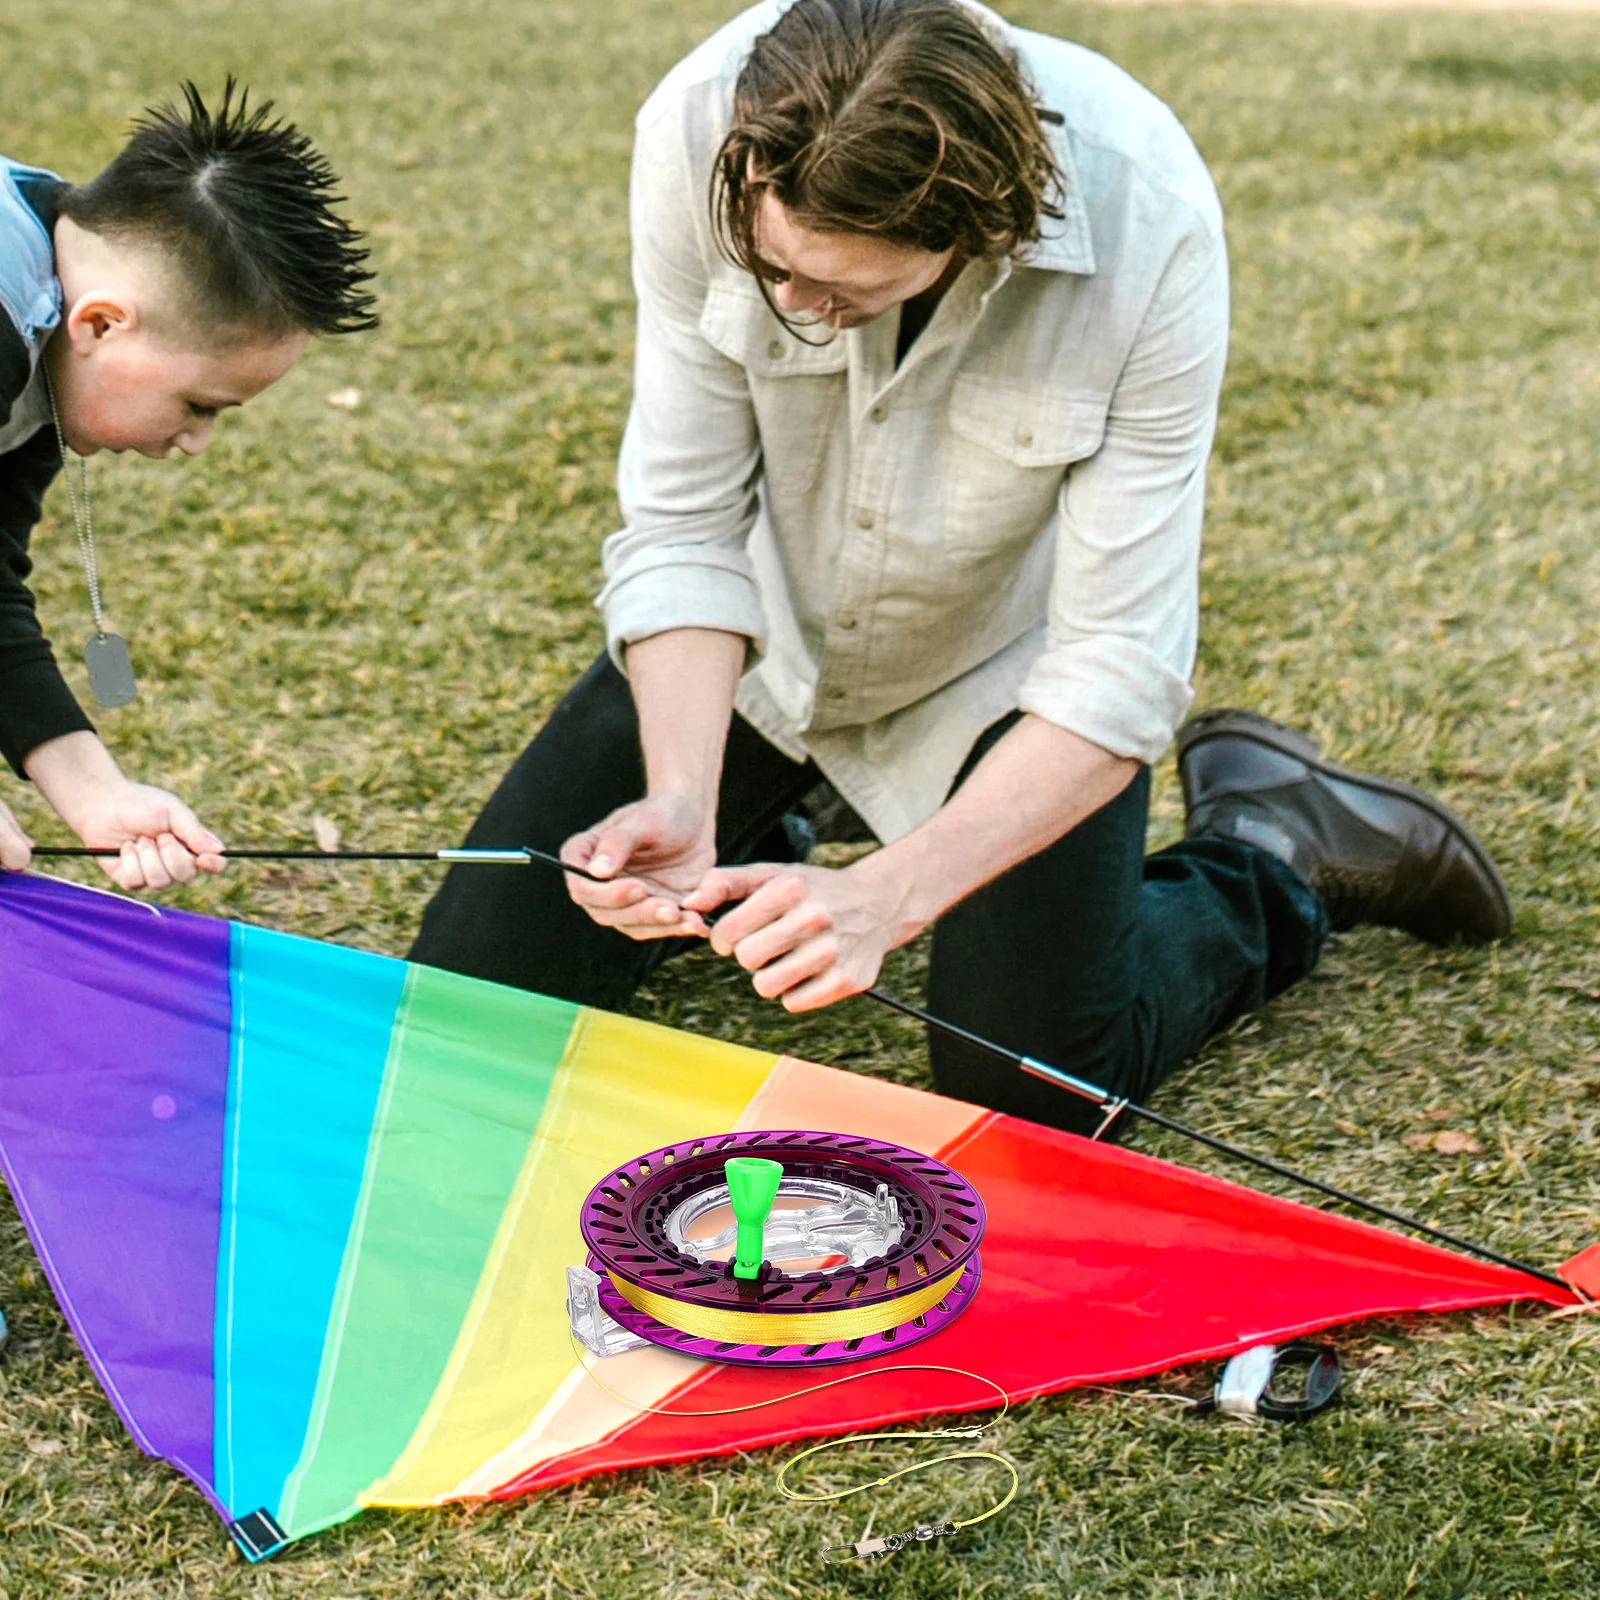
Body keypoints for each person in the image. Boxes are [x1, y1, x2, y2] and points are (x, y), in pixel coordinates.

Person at [411, 0, 1510, 1135]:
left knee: (1032, 1098)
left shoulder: (1152, 221)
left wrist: (890, 896)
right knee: (470, 1004)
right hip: (766, 647)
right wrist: (682, 799)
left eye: (843, 290)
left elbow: (1116, 667)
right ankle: (761, 823)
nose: (793, 307)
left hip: (1004, 677)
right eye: (774, 265)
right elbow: (684, 523)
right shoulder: (697, 129)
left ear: (981, 230)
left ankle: (1276, 844)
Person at [1, 82, 377, 891]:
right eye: (199, 405)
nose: (199, 442)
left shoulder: (55, 320)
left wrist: (94, 792)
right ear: (102, 324)